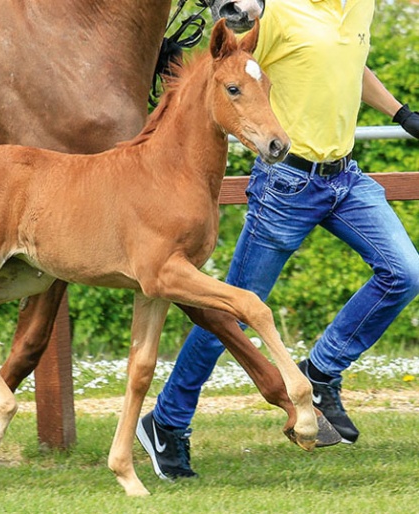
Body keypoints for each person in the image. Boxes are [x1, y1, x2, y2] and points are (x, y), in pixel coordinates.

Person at [136, 0, 419, 480]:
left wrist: (401, 111)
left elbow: (349, 64)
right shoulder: (283, 12)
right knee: (230, 315)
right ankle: (166, 422)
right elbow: (229, 60)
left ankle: (321, 371)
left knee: (406, 272)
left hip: (345, 178)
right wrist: (237, 14)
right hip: (287, 184)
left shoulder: (359, 8)